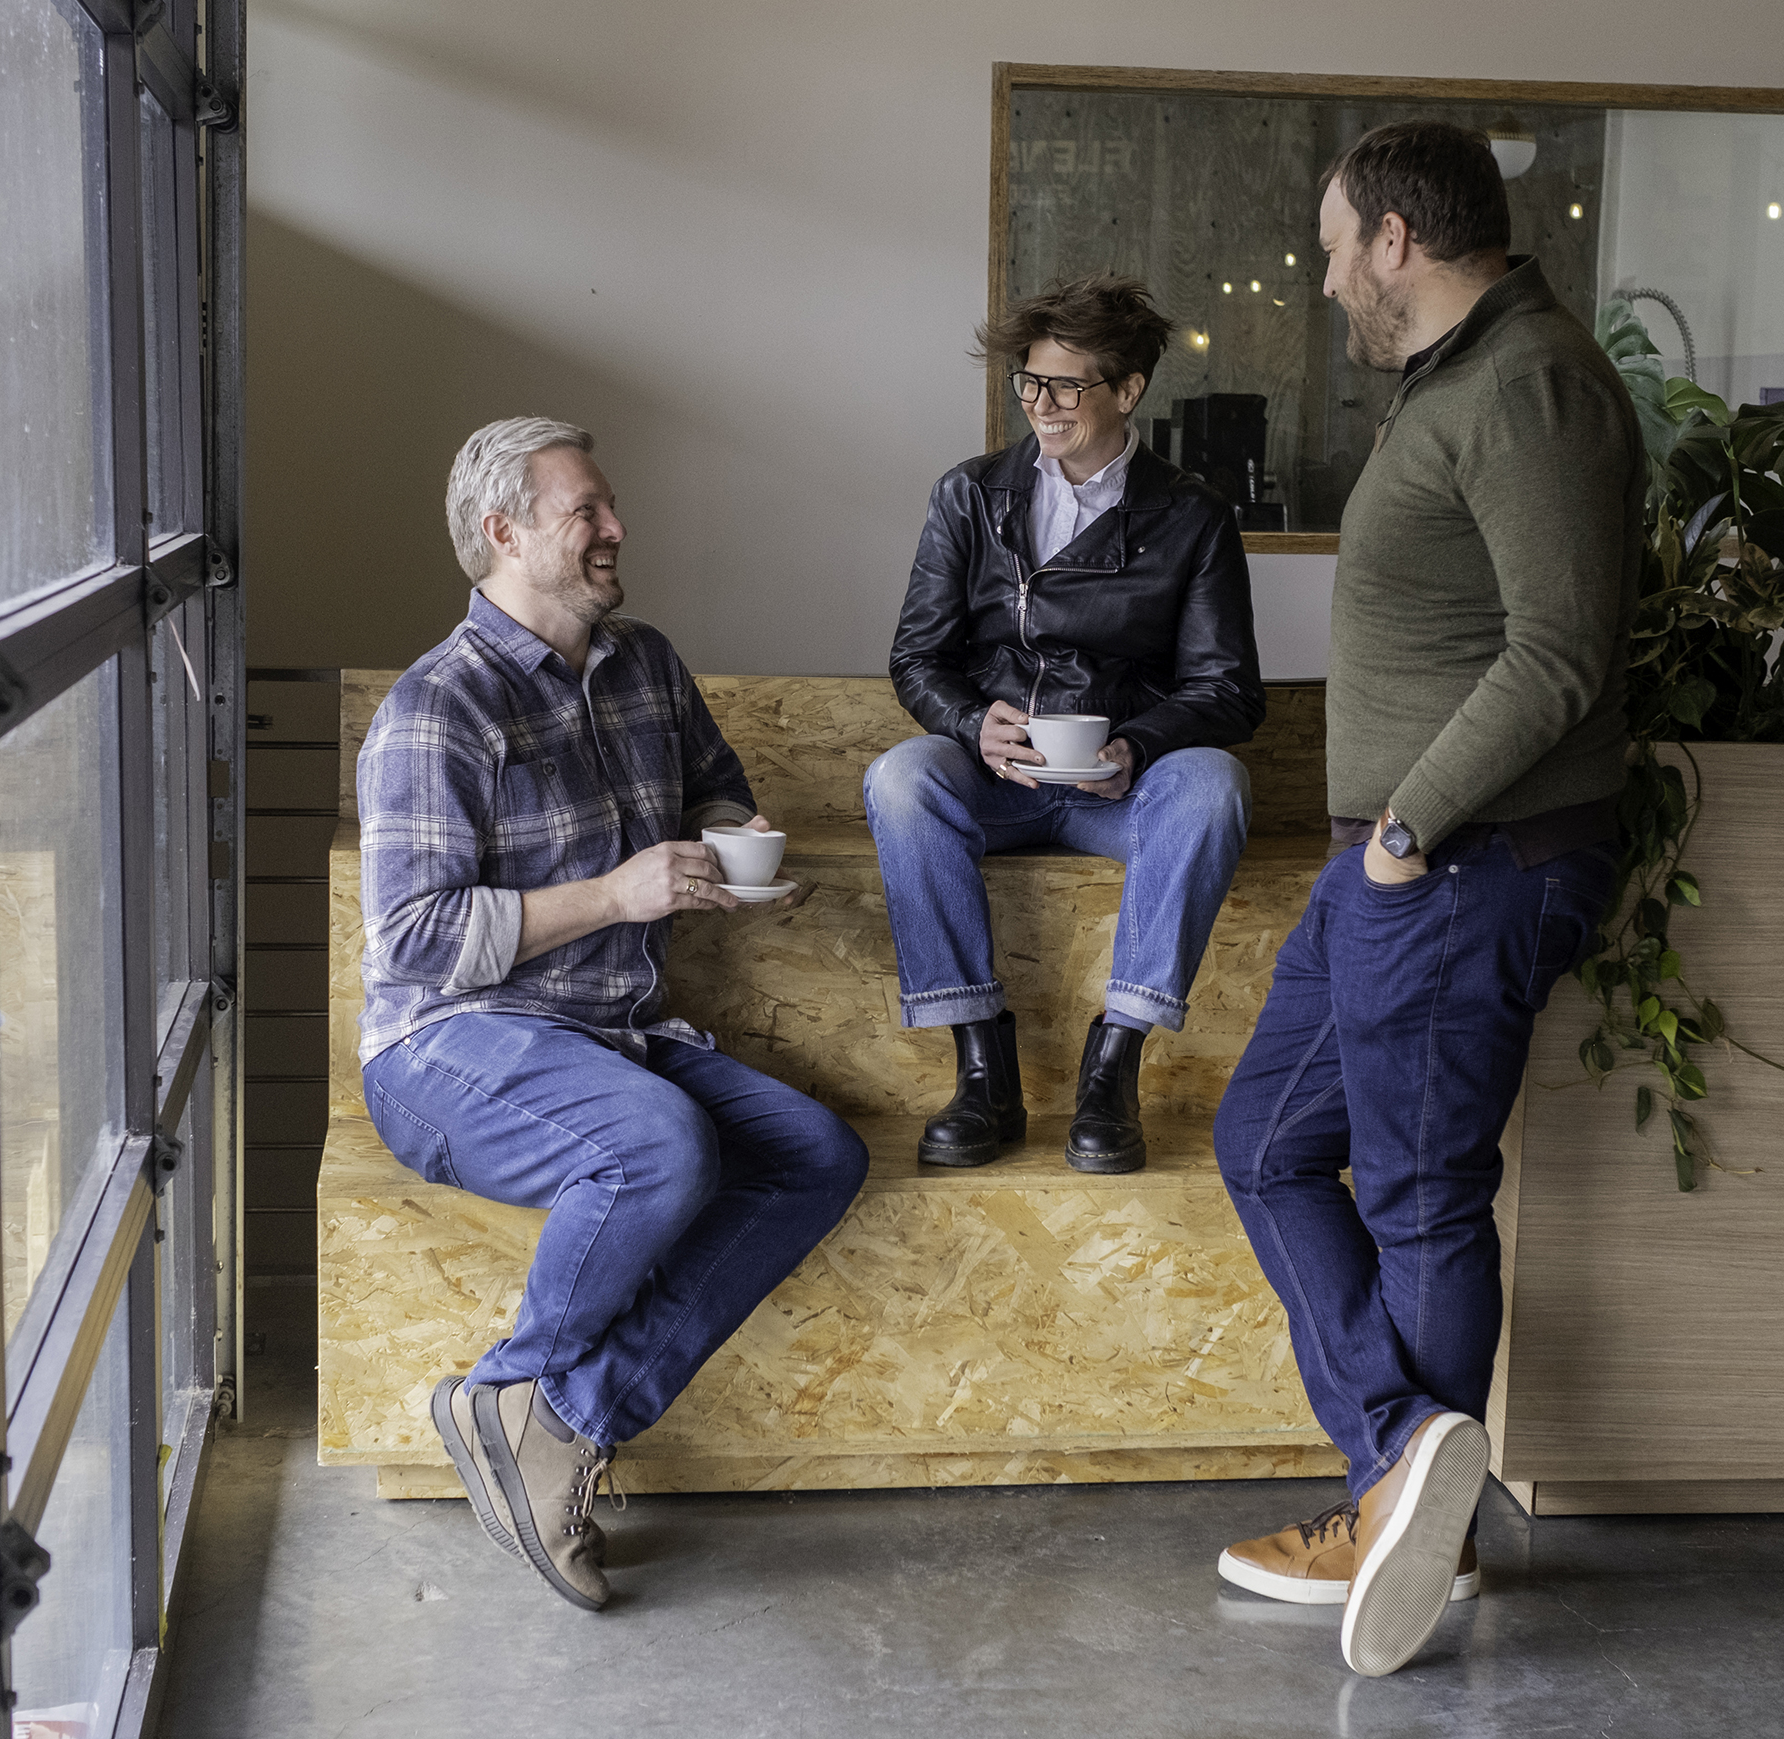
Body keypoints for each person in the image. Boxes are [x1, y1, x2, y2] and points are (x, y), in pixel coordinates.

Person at [1212, 122, 1643, 1675]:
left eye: (1335, 248)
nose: (1326, 279)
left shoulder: (1530, 384)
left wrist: (1401, 831)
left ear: (1399, 238)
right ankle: (1407, 1470)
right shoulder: (1458, 380)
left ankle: (1411, 1526)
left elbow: (1559, 651)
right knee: (1264, 1138)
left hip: (1460, 861)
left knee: (1414, 1198)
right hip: (1398, 861)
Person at [356, 416, 869, 1611]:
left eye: (607, 506)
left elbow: (714, 783)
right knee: (658, 1145)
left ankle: (562, 1418)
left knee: (814, 1154)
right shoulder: (440, 704)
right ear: (503, 532)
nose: (615, 528)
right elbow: (416, 939)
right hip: (449, 1045)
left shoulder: (644, 663)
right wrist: (617, 892)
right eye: (585, 511)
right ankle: (513, 1385)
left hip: (606, 1038)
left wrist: (738, 843)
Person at [866, 274, 1265, 1174]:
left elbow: (1229, 689)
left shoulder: (1192, 516)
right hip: (995, 780)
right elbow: (915, 658)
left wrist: (1137, 746)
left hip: (1116, 790)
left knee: (1216, 785)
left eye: (1067, 385)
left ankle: (1114, 1067)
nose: (1041, 406)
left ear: (1128, 392)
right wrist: (972, 723)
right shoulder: (969, 496)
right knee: (900, 775)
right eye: (1030, 383)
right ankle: (981, 1068)